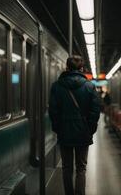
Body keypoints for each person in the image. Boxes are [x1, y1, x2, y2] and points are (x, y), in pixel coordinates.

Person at [49, 55, 100, 195]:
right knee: (81, 168)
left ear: (66, 67)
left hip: (64, 132)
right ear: (82, 69)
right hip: (83, 132)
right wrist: (90, 129)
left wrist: (58, 128)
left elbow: (53, 111)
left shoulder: (56, 86)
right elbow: (95, 111)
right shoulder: (90, 86)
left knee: (66, 167)